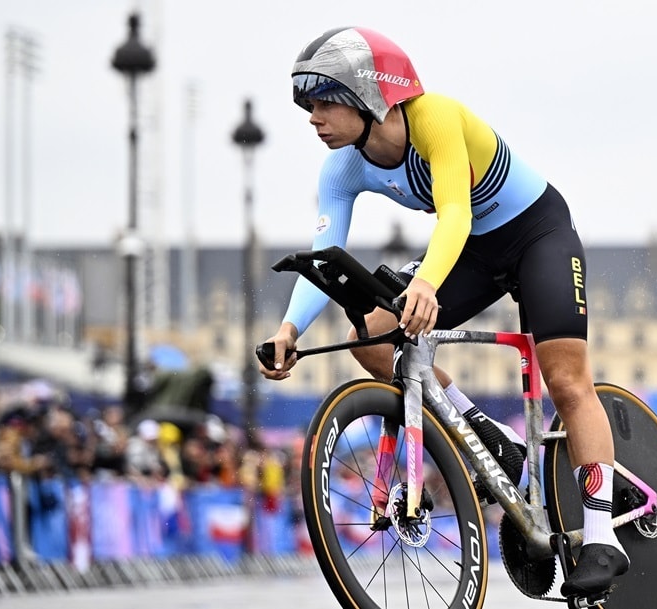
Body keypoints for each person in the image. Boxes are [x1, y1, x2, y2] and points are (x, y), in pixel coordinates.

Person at [259, 26, 627, 596]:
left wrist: (426, 283)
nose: (313, 117)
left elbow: (455, 212)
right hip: (474, 251)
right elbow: (325, 248)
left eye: (325, 102)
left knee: (565, 380)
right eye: (309, 106)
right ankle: (490, 438)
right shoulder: (341, 168)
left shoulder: (435, 118)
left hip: (537, 235)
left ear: (369, 95)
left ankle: (604, 538)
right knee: (371, 337)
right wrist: (289, 329)